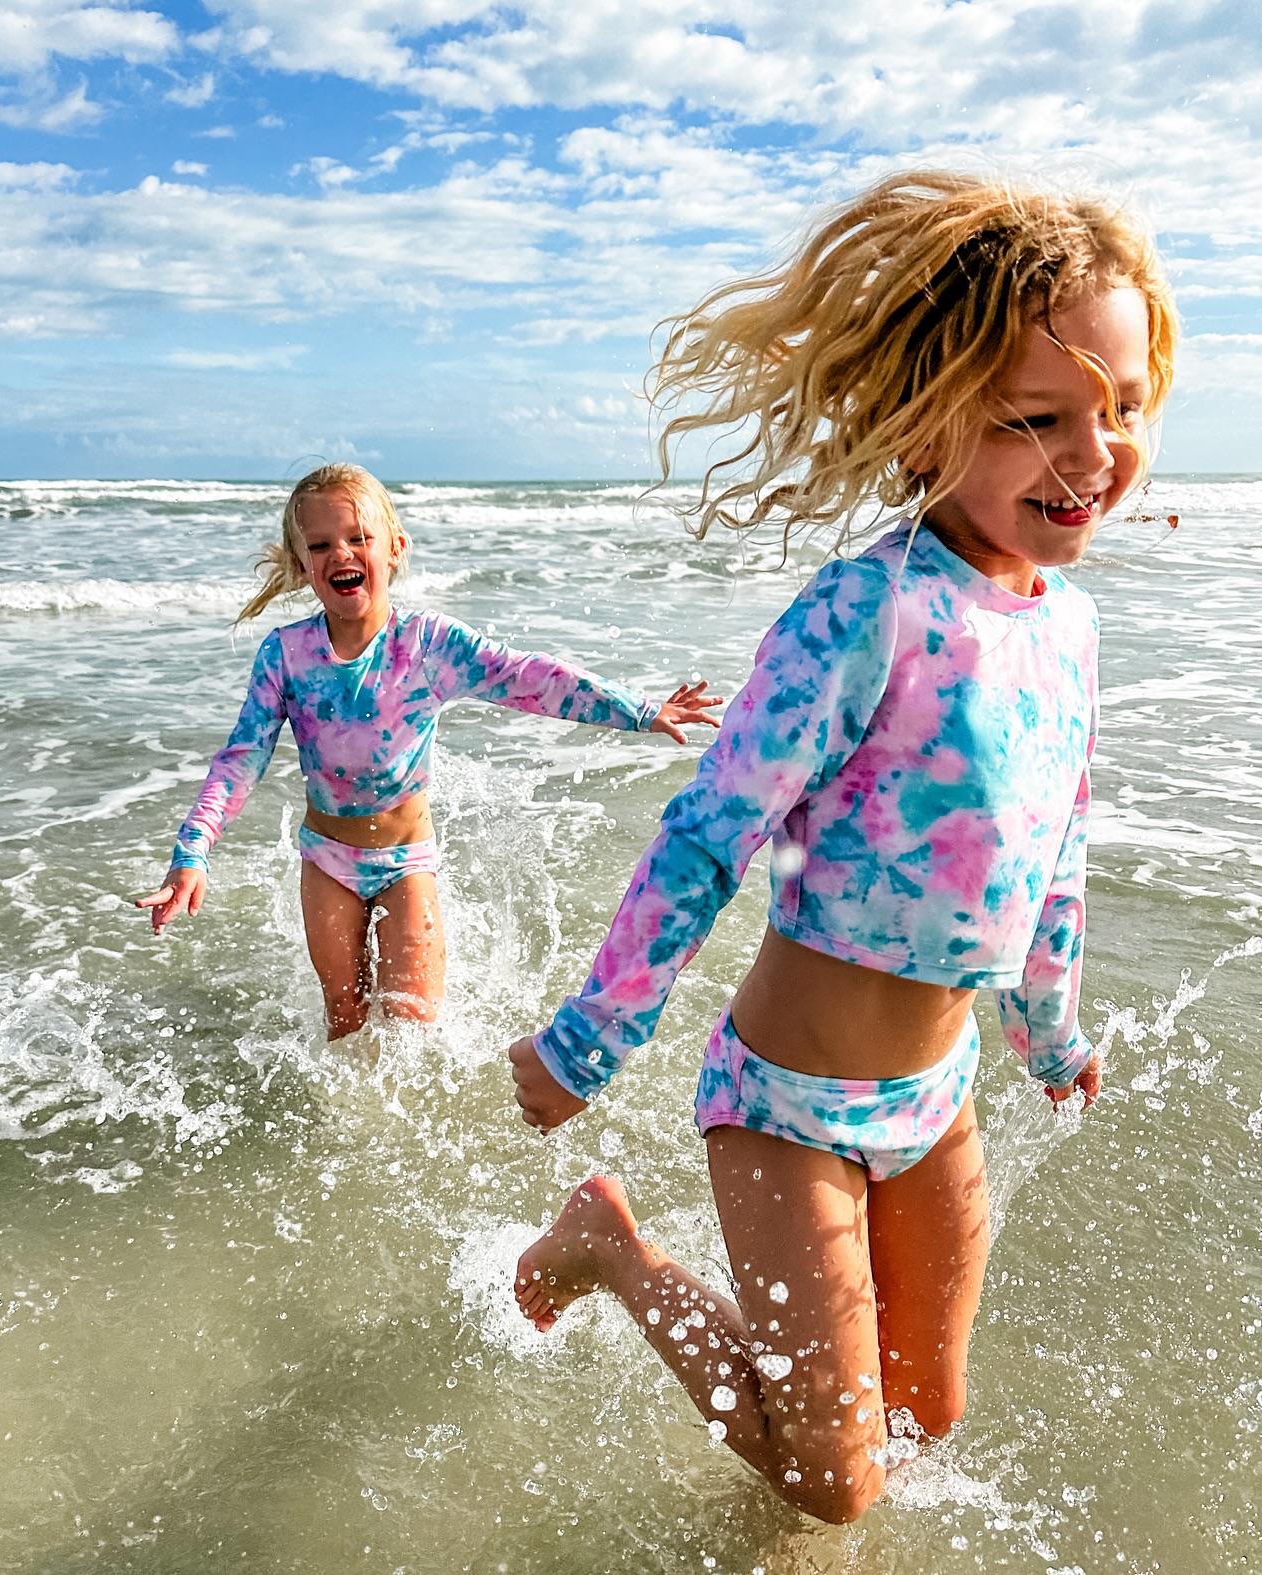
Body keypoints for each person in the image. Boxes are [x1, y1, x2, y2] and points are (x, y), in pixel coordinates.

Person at [506, 171, 1178, 1523]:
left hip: (940, 1102)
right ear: (929, 426)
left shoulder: (1069, 631)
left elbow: (1053, 862)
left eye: (1120, 409)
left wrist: (1052, 1037)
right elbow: (710, 834)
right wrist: (585, 1039)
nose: (1092, 453)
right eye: (1039, 419)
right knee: (842, 1483)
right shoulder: (864, 609)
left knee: (927, 1418)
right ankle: (615, 1248)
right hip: (786, 1105)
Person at [136, 464, 720, 1038]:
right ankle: (348, 1129)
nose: (341, 553)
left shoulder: (429, 644)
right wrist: (192, 852)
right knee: (344, 1014)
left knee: (415, 1020)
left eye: (358, 537)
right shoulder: (286, 654)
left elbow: (529, 677)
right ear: (301, 566)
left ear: (394, 549)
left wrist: (639, 710)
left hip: (406, 860)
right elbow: (242, 757)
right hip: (327, 860)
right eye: (320, 545)